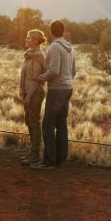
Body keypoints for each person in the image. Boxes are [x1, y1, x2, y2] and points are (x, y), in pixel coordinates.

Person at [31, 19, 76, 170]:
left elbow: (54, 71)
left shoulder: (54, 47)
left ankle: (49, 161)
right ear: (63, 31)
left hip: (57, 89)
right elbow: (73, 71)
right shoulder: (70, 47)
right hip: (68, 88)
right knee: (61, 123)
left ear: (51, 32)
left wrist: (40, 78)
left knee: (48, 124)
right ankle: (61, 159)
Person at [19, 29, 47, 165]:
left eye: (29, 38)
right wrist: (22, 91)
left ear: (36, 40)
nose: (26, 39)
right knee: (30, 121)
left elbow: (35, 80)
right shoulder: (30, 55)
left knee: (34, 122)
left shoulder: (38, 56)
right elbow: (26, 76)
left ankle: (36, 154)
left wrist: (28, 97)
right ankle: (33, 152)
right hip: (28, 92)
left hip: (35, 93)